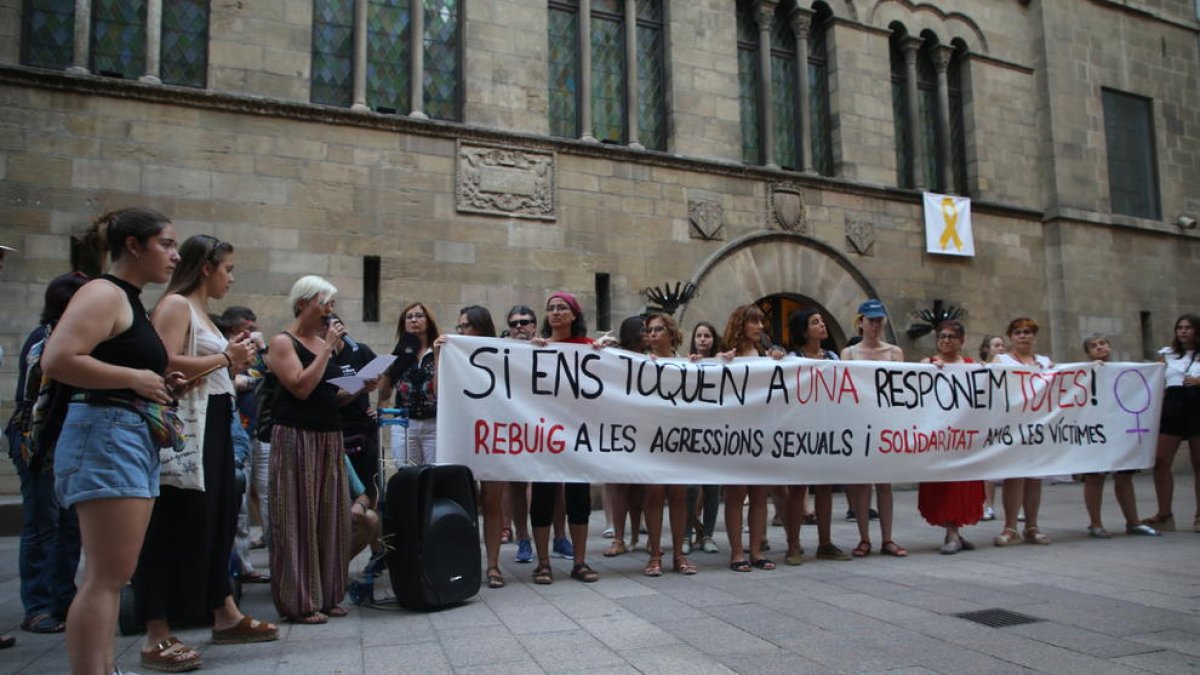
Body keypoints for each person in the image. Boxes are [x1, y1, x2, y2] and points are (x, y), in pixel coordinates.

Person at [42, 208, 188, 675]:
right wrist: (135, 377)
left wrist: (158, 383)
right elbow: (59, 359)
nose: (175, 254)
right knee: (106, 578)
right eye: (166, 243)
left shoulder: (128, 298)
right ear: (133, 245)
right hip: (107, 432)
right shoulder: (103, 293)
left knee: (113, 575)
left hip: (125, 431)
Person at [138, 234, 274, 670]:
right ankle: (156, 632)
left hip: (216, 419)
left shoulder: (203, 315)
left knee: (215, 519)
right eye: (227, 268)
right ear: (206, 267)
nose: (231, 277)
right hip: (189, 427)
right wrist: (226, 359)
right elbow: (161, 364)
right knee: (174, 521)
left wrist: (231, 359)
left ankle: (224, 612)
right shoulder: (176, 305)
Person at [5, 272, 88, 637]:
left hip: (66, 440)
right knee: (43, 523)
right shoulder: (47, 340)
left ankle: (64, 601)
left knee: (70, 524)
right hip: (37, 442)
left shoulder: (71, 338)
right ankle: (37, 607)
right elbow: (39, 401)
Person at [266, 275, 353, 624]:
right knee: (296, 518)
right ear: (303, 303)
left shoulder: (322, 343)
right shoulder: (282, 342)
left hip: (329, 435)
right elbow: (301, 387)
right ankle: (300, 600)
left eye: (332, 304)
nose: (330, 311)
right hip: (295, 436)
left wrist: (361, 388)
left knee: (332, 516)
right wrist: (328, 349)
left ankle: (330, 593)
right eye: (324, 303)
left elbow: (331, 395)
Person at [434, 305, 509, 588]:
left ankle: (493, 565)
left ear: (480, 326)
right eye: (459, 326)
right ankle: (466, 562)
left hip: (494, 434)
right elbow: (439, 391)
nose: (460, 331)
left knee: (492, 501)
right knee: (464, 502)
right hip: (465, 433)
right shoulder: (454, 352)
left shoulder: (504, 351)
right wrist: (441, 355)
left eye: (465, 326)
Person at [529, 292, 599, 584]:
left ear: (574, 315)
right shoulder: (536, 349)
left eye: (562, 308)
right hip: (544, 433)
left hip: (577, 434)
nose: (556, 313)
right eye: (551, 308)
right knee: (543, 495)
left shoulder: (588, 348)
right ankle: (543, 563)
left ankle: (580, 562)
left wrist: (608, 350)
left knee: (578, 495)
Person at [785, 308, 852, 563]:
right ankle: (794, 545)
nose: (822, 325)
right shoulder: (793, 359)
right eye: (815, 322)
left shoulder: (833, 357)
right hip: (801, 430)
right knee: (798, 487)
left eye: (822, 321)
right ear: (804, 331)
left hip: (826, 427)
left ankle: (825, 542)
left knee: (824, 485)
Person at [841, 299, 907, 558]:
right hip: (859, 422)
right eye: (871, 320)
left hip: (886, 423)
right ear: (861, 322)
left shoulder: (895, 352)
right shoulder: (850, 354)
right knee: (861, 483)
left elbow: (905, 388)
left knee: (885, 483)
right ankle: (864, 538)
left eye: (879, 320)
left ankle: (888, 538)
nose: (875, 325)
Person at [1077, 334, 1159, 539]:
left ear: (1110, 346)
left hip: (1120, 430)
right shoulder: (1084, 373)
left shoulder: (1125, 370)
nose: (1099, 348)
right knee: (1095, 476)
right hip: (1096, 431)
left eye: (1102, 343)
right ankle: (1095, 524)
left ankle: (1133, 521)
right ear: (1087, 353)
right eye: (1093, 346)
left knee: (1125, 476)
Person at [917, 320, 986, 554]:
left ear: (961, 341)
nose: (946, 340)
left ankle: (954, 532)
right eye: (942, 336)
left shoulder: (970, 365)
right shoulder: (927, 364)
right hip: (939, 438)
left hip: (963, 438)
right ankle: (952, 533)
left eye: (951, 337)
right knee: (944, 485)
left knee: (962, 485)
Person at [640, 313, 697, 575]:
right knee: (653, 493)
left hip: (678, 436)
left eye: (659, 329)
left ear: (671, 334)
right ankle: (654, 554)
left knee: (677, 493)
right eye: (650, 330)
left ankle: (677, 555)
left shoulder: (687, 363)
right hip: (650, 435)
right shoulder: (639, 363)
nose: (653, 334)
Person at [720, 304, 776, 572]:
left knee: (759, 494)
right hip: (735, 431)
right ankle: (737, 552)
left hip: (762, 429)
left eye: (761, 322)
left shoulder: (766, 352)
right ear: (742, 323)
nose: (760, 327)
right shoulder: (725, 355)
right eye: (755, 322)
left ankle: (756, 551)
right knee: (736, 493)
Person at [991, 317, 1053, 546]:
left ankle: (1032, 525)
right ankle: (1010, 526)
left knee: (1034, 477)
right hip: (1013, 424)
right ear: (1011, 336)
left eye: (1027, 332)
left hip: (1039, 424)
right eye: (1017, 332)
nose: (1022, 336)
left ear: (1034, 336)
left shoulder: (1045, 362)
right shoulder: (1002, 359)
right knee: (1014, 475)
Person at [1143, 314, 1200, 533]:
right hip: (1173, 406)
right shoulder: (1167, 355)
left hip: (1197, 406)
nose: (1183, 331)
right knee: (1161, 460)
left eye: (1188, 327)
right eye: (1180, 327)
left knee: (1198, 461)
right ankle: (1164, 513)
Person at [603, 315, 646, 559]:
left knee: (640, 486)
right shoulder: (614, 356)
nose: (648, 333)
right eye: (643, 329)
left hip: (646, 428)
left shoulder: (656, 358)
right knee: (620, 485)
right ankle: (619, 538)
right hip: (620, 427)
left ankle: (636, 536)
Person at [379, 302, 440, 465]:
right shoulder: (399, 353)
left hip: (434, 423)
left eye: (419, 316)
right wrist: (386, 371)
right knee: (406, 474)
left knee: (434, 474)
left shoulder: (438, 351)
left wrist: (438, 357)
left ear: (428, 321)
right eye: (409, 317)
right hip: (404, 423)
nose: (414, 320)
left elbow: (441, 392)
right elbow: (385, 393)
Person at [684, 321, 721, 555]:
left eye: (707, 335)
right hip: (690, 434)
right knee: (690, 487)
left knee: (712, 487)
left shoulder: (723, 364)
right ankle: (686, 534)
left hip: (715, 433)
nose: (703, 339)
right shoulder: (684, 363)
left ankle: (707, 535)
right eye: (699, 335)